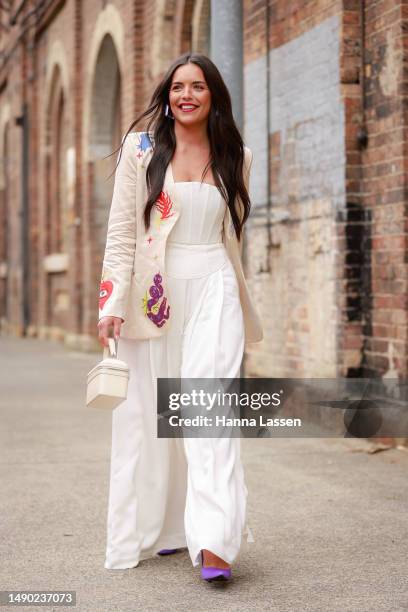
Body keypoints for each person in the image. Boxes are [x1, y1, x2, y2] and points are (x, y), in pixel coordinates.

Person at [97, 52, 263, 583]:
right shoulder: (140, 151)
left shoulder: (238, 154)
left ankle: (214, 542)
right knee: (150, 419)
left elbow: (231, 238)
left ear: (214, 94)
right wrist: (110, 303)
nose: (185, 95)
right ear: (167, 97)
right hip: (155, 294)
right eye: (176, 87)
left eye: (197, 86)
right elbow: (123, 232)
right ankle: (165, 529)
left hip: (214, 287)